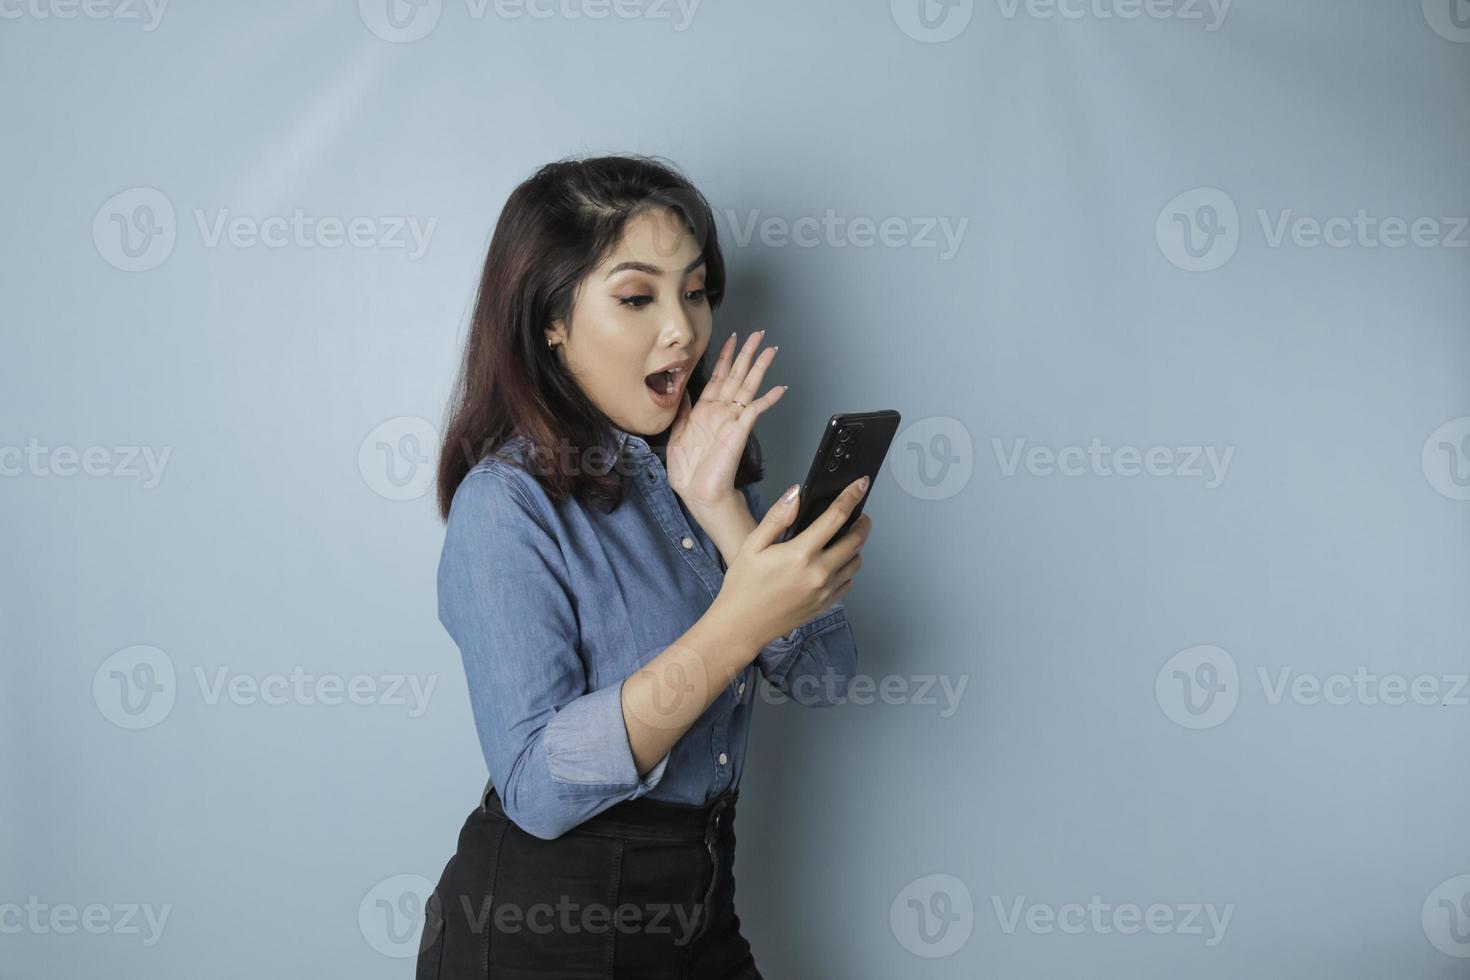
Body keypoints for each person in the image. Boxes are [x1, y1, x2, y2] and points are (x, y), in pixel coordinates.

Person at [419, 154, 871, 979]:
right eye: (637, 297)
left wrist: (720, 506)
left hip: (701, 912)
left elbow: (828, 676)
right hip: (542, 933)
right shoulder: (506, 505)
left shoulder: (703, 469)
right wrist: (737, 626)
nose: (684, 330)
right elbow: (536, 789)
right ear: (549, 320)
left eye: (695, 291)